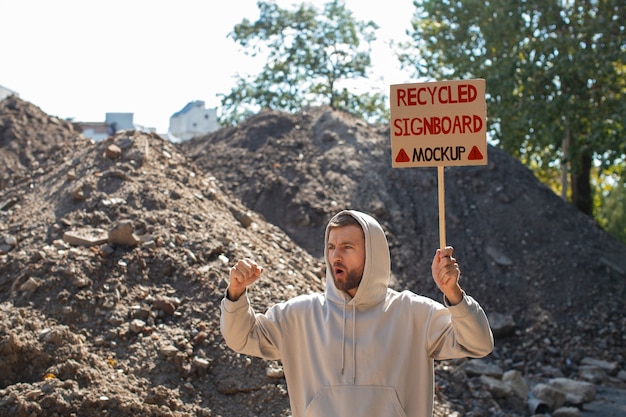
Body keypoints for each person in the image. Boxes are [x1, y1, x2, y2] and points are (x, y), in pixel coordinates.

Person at [220, 209, 493, 417]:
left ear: (373, 255)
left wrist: (454, 293)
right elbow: (240, 337)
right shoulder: (299, 316)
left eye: (347, 248)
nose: (335, 256)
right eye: (331, 247)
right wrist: (236, 293)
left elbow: (478, 343)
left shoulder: (413, 313)